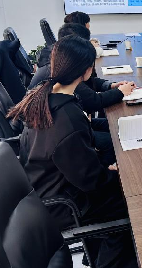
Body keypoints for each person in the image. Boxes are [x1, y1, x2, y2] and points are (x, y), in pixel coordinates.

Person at [8, 36, 136, 268]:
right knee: (130, 200)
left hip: (45, 187)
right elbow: (91, 182)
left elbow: (79, 161)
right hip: (63, 204)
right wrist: (116, 174)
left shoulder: (45, 93)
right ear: (87, 71)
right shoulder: (67, 118)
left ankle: (93, 258)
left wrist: (104, 168)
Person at [29, 23, 135, 166]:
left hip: (48, 167)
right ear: (87, 70)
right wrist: (110, 172)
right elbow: (88, 175)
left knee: (116, 125)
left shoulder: (50, 87)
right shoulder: (70, 115)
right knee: (115, 141)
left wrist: (109, 86)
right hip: (68, 176)